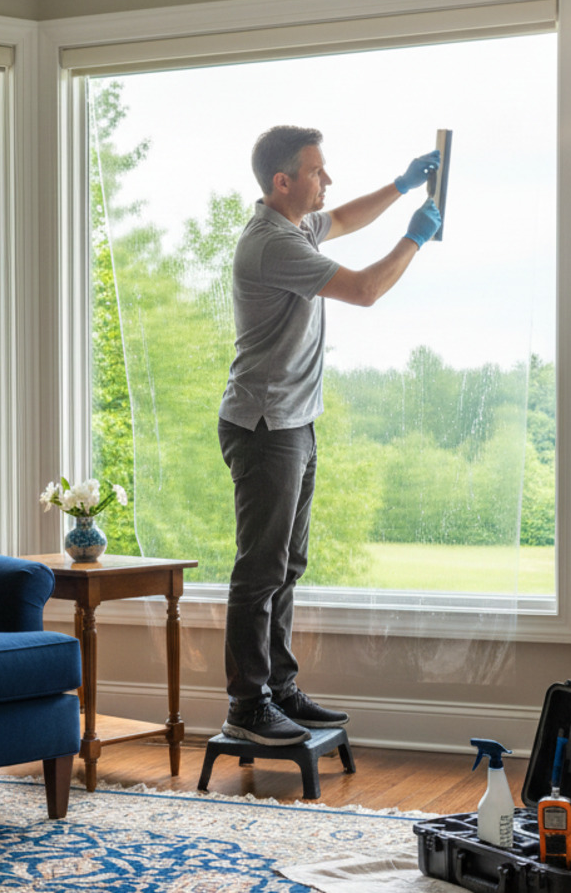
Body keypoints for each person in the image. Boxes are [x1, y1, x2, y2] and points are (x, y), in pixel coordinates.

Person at [218, 125, 443, 746]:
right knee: (259, 570)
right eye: (318, 171)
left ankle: (278, 689)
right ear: (283, 182)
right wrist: (414, 238)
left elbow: (342, 216)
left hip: (293, 421)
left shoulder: (295, 226)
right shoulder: (271, 245)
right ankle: (246, 704)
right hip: (265, 427)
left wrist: (402, 185)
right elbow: (366, 290)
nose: (329, 180)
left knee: (288, 564)